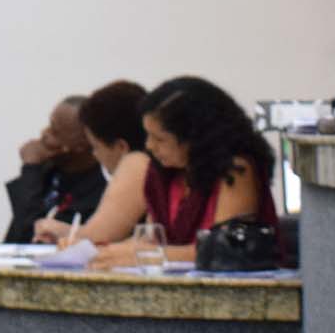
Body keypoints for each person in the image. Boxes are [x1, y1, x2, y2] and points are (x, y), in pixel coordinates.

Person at [94, 77, 279, 269]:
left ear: (195, 138)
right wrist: (102, 251)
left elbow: (224, 250)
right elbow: (152, 239)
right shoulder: (164, 174)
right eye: (148, 135)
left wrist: (147, 255)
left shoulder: (236, 170)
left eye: (160, 139)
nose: (149, 146)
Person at [33, 80, 152, 248]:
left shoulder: (137, 162)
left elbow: (98, 239)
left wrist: (57, 229)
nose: (95, 156)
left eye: (95, 147)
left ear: (121, 147)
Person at [2, 96, 105, 242]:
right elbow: (15, 237)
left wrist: (31, 167)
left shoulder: (101, 188)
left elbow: (31, 237)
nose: (44, 133)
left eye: (55, 131)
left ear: (82, 144)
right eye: (49, 125)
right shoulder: (48, 173)